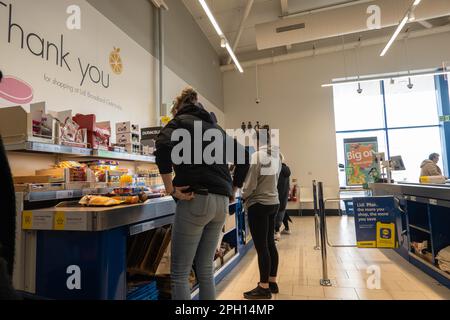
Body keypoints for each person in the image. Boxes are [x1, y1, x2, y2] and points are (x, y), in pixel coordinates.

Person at [155, 87, 249, 300]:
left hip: (195, 199)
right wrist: (232, 190)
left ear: (178, 108)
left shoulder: (179, 122)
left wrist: (170, 189)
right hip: (221, 203)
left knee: (179, 273)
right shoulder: (216, 129)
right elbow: (244, 157)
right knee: (205, 268)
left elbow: (161, 145)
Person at [242, 125, 281, 300]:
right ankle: (272, 282)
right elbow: (276, 179)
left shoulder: (257, 156)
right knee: (270, 243)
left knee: (261, 247)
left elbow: (250, 184)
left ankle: (263, 287)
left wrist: (242, 195)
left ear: (258, 140)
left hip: (258, 204)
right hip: (273, 202)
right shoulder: (277, 155)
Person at [274, 158, 291, 241]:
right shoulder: (286, 170)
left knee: (277, 214)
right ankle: (286, 229)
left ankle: (276, 233)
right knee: (282, 211)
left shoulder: (277, 169)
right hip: (284, 195)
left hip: (277, 195)